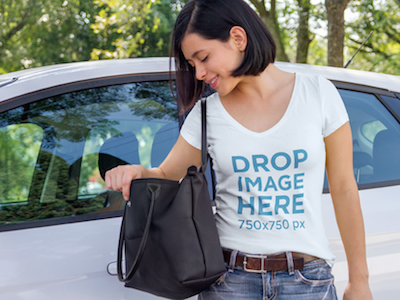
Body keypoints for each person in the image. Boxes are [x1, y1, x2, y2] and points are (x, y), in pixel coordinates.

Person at [105, 0, 373, 299]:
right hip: (230, 283)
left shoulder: (318, 94)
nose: (199, 73)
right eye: (192, 65)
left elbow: (344, 187)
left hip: (307, 282)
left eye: (203, 58)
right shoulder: (207, 113)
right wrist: (135, 172)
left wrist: (359, 280)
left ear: (238, 38)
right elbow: (165, 174)